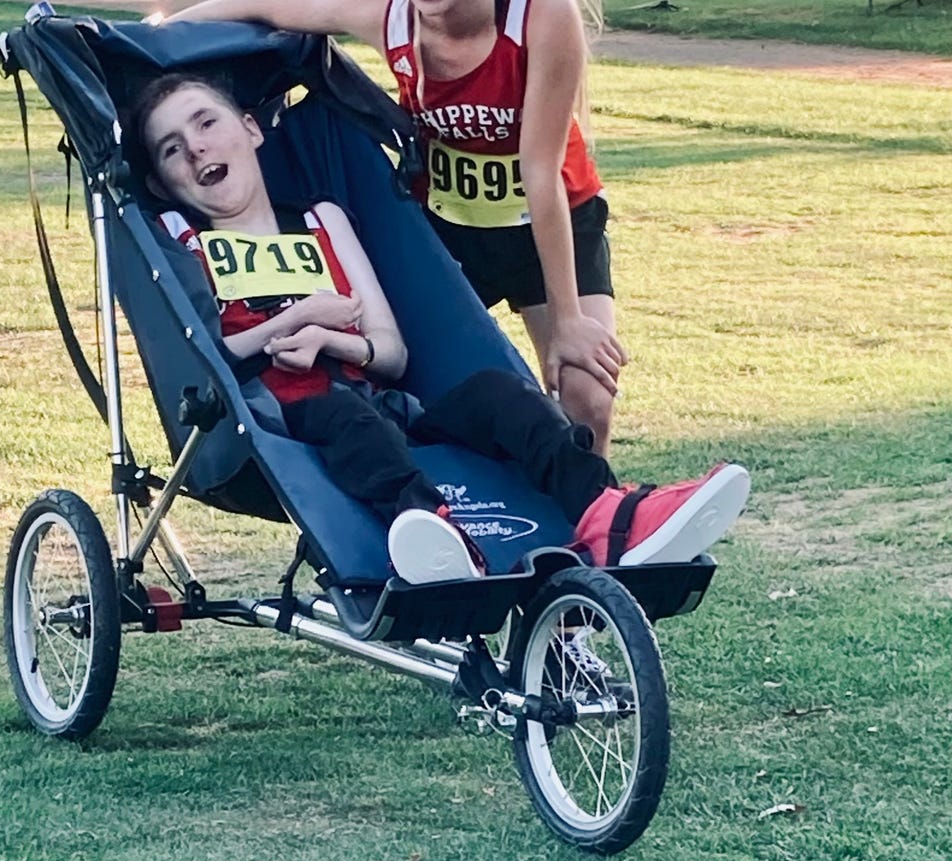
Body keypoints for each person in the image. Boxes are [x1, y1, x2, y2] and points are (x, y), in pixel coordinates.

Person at [134, 72, 749, 587]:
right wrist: (301, 316)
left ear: (250, 127)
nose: (194, 148)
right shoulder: (187, 243)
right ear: (165, 183)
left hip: (380, 403)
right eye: (170, 147)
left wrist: (331, 339)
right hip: (282, 428)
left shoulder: (322, 221)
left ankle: (605, 513)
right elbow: (209, 353)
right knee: (343, 418)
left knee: (498, 394)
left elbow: (392, 352)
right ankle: (433, 530)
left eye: (206, 123)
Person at [163, 0, 624, 454]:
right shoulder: (389, 11)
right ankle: (451, 528)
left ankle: (588, 527)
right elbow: (266, 4)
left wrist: (567, 321)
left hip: (551, 221)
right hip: (449, 225)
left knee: (586, 395)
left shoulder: (540, 11)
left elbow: (540, 173)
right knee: (430, 386)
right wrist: (156, 37)